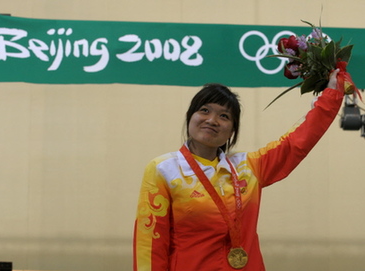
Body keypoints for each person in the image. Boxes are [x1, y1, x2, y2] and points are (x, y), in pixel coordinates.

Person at [133, 69, 343, 271]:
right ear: (190, 116)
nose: (212, 120)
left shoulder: (248, 167)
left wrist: (331, 95)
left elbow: (295, 143)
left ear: (233, 130)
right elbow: (150, 246)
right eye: (204, 110)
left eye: (224, 116)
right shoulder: (163, 170)